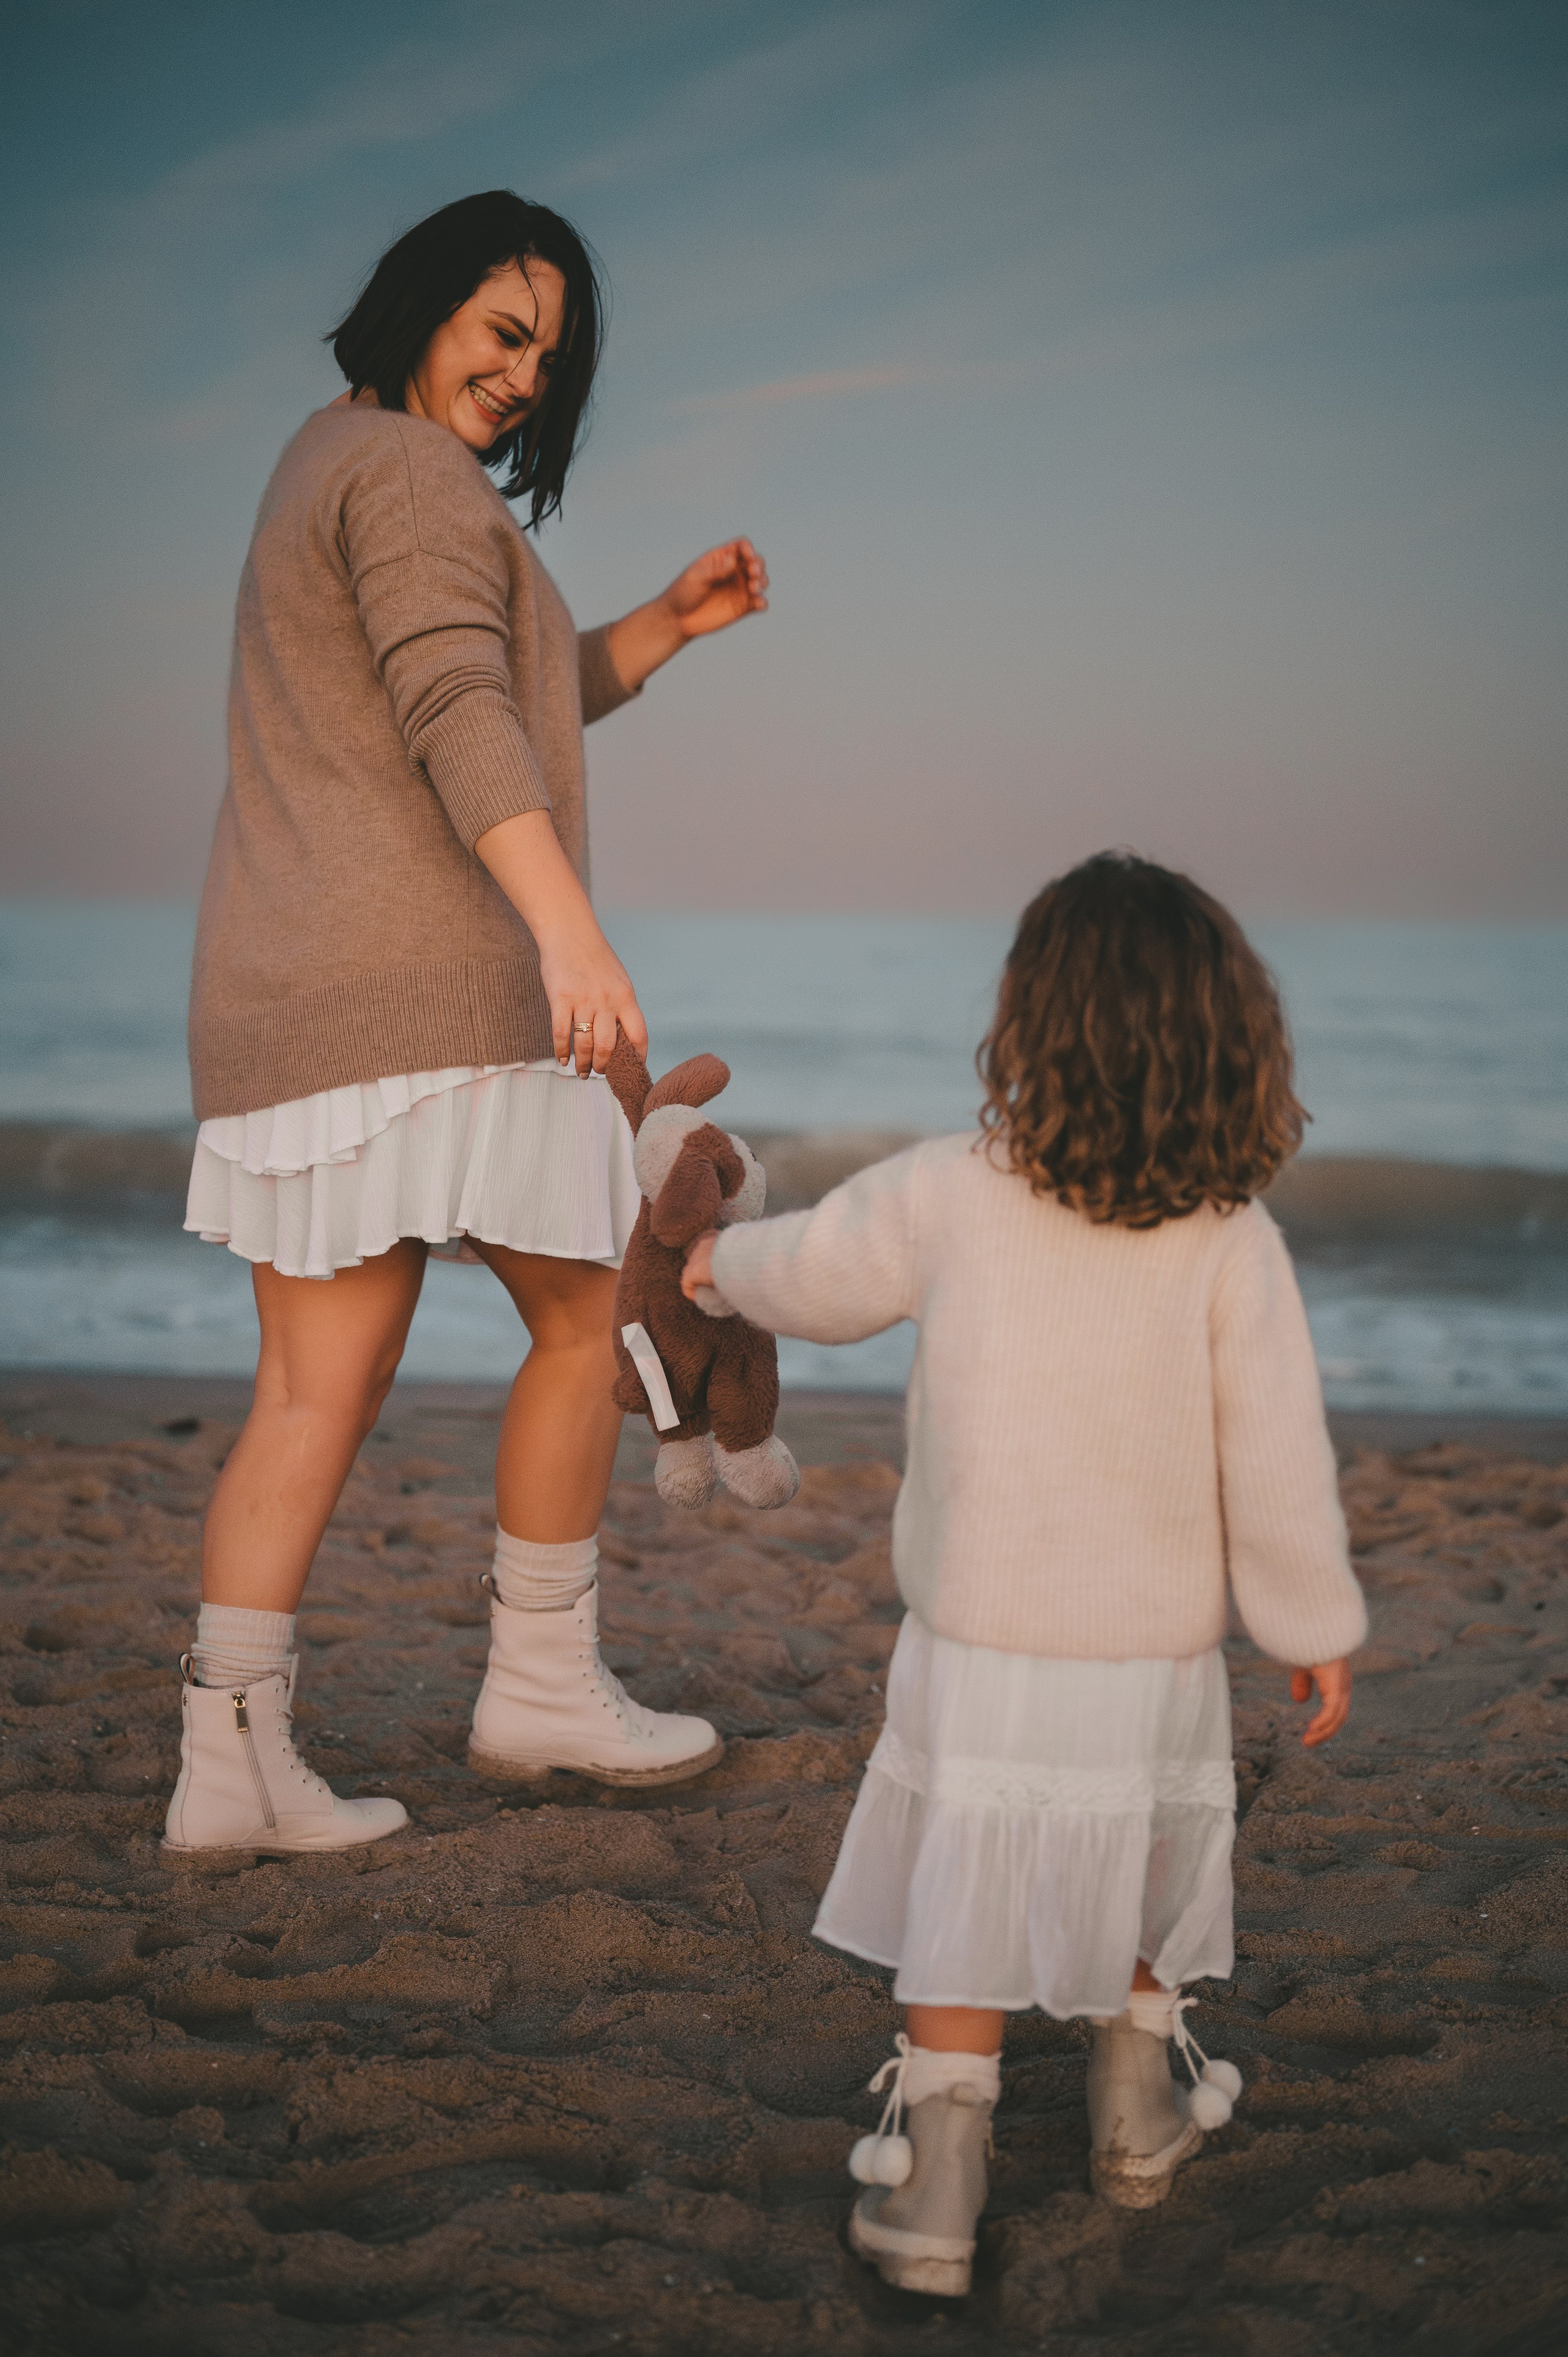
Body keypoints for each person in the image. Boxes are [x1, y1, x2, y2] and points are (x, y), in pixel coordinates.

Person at [166, 190, 766, 1858]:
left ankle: (228, 1764)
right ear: (428, 302)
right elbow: (454, 707)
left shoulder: (327, 458)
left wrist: (661, 626)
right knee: (589, 1312)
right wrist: (571, 935)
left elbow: (499, 685)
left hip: (292, 995)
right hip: (428, 988)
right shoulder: (415, 478)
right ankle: (546, 1686)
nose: (521, 375)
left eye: (546, 356)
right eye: (503, 331)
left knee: (313, 1386)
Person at [681, 851, 1367, 2296]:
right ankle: (1132, 2113)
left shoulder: (951, 1188)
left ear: (1027, 1028)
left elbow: (818, 1270)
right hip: (1150, 1651)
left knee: (965, 1882)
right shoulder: (1229, 1237)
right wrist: (1310, 1623)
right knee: (1136, 1854)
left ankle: (937, 2179)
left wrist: (714, 1271)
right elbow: (1278, 1457)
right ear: (1223, 1044)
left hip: (979, 1632)